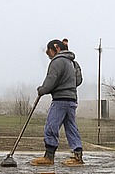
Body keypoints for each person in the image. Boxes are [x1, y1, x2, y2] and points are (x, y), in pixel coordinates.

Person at [31, 37, 84, 167]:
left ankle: (49, 156)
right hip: (71, 100)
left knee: (51, 126)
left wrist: (42, 90)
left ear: (55, 48)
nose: (49, 56)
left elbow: (51, 79)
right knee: (71, 127)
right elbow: (78, 81)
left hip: (60, 100)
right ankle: (77, 156)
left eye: (49, 52)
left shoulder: (57, 61)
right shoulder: (73, 63)